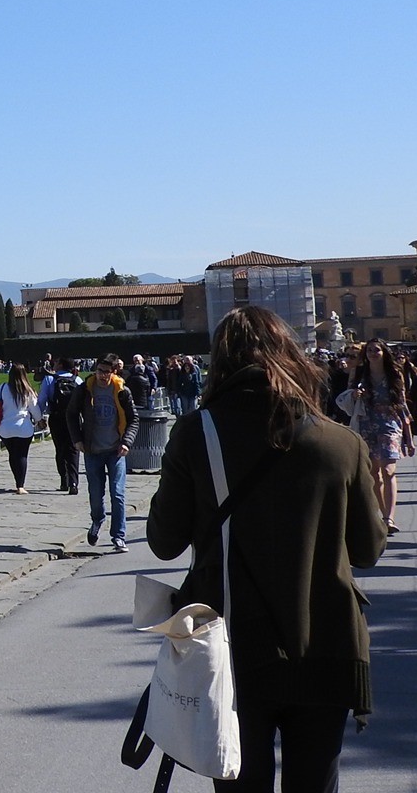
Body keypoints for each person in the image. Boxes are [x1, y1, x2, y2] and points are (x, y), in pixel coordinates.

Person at [147, 306, 386, 792]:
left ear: (220, 362)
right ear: (291, 355)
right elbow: (367, 549)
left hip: (233, 646)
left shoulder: (197, 434)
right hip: (326, 642)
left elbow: (163, 541)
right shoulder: (341, 443)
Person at [340, 339, 414, 533]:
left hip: (389, 424)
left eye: (377, 350)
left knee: (388, 470)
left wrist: (409, 438)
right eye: (370, 350)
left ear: (384, 353)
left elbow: (402, 405)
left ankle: (389, 518)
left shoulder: (394, 373)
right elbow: (348, 394)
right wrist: (355, 394)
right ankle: (382, 515)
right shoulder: (359, 373)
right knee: (374, 473)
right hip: (366, 423)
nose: (373, 353)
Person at [68, 353, 139, 552]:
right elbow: (71, 414)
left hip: (115, 450)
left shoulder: (121, 390)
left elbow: (133, 419)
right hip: (92, 449)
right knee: (96, 494)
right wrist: (77, 439)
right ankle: (98, 520)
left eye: (107, 372)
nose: (102, 375)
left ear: (114, 372)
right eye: (99, 371)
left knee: (117, 494)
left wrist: (127, 442)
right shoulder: (85, 389)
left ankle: (118, 536)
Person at [0, 362, 41, 493]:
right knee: (22, 455)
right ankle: (20, 485)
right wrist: (38, 420)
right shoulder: (28, 391)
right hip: (23, 427)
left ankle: (17, 481)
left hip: (5, 428)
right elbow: (36, 412)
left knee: (13, 454)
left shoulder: (3, 387)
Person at [40, 360, 80, 493]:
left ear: (61, 365)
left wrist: (39, 417)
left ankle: (64, 479)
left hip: (56, 417)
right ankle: (73, 482)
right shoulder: (77, 380)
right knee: (74, 449)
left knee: (60, 449)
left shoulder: (50, 379)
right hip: (74, 418)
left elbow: (42, 400)